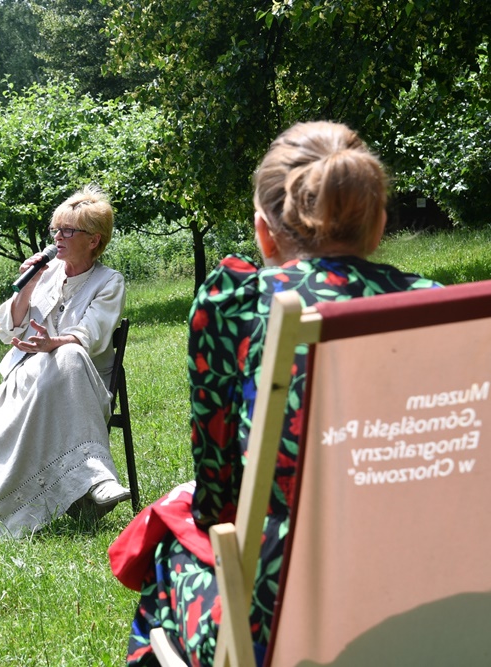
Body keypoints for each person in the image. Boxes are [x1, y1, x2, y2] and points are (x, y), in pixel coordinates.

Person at [123, 121, 440, 666]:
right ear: (379, 223)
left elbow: (219, 501)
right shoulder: (434, 307)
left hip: (283, 615)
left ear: (265, 233)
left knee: (167, 557)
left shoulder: (239, 306)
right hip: (429, 590)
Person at [0, 185, 131, 540]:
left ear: (94, 240)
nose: (58, 237)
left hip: (80, 383)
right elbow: (7, 331)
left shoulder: (109, 282)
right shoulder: (46, 272)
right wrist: (27, 286)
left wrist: (54, 343)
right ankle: (67, 491)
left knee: (69, 353)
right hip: (31, 378)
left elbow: (93, 336)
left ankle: (97, 479)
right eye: (55, 229)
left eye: (68, 231)